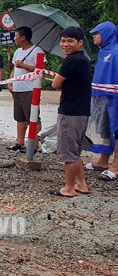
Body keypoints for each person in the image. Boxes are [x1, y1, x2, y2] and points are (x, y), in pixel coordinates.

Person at [50, 27, 91, 197]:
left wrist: (58, 79)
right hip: (81, 111)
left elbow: (55, 84)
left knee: (69, 153)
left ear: (79, 43)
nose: (65, 44)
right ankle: (82, 184)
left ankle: (69, 188)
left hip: (71, 112)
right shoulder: (84, 60)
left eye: (70, 41)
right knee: (75, 150)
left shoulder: (71, 61)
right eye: (63, 41)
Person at [86, 22, 118, 180]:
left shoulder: (115, 52)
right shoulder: (102, 52)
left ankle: (116, 165)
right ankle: (103, 161)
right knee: (104, 129)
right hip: (100, 96)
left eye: (97, 33)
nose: (93, 36)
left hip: (114, 97)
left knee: (116, 130)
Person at [7, 26, 45, 151]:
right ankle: (20, 141)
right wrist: (10, 81)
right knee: (20, 117)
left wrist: (23, 65)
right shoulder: (18, 51)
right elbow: (14, 69)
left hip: (30, 89)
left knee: (32, 117)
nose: (14, 39)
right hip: (18, 88)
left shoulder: (37, 51)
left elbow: (41, 70)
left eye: (16, 36)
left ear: (23, 38)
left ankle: (34, 144)